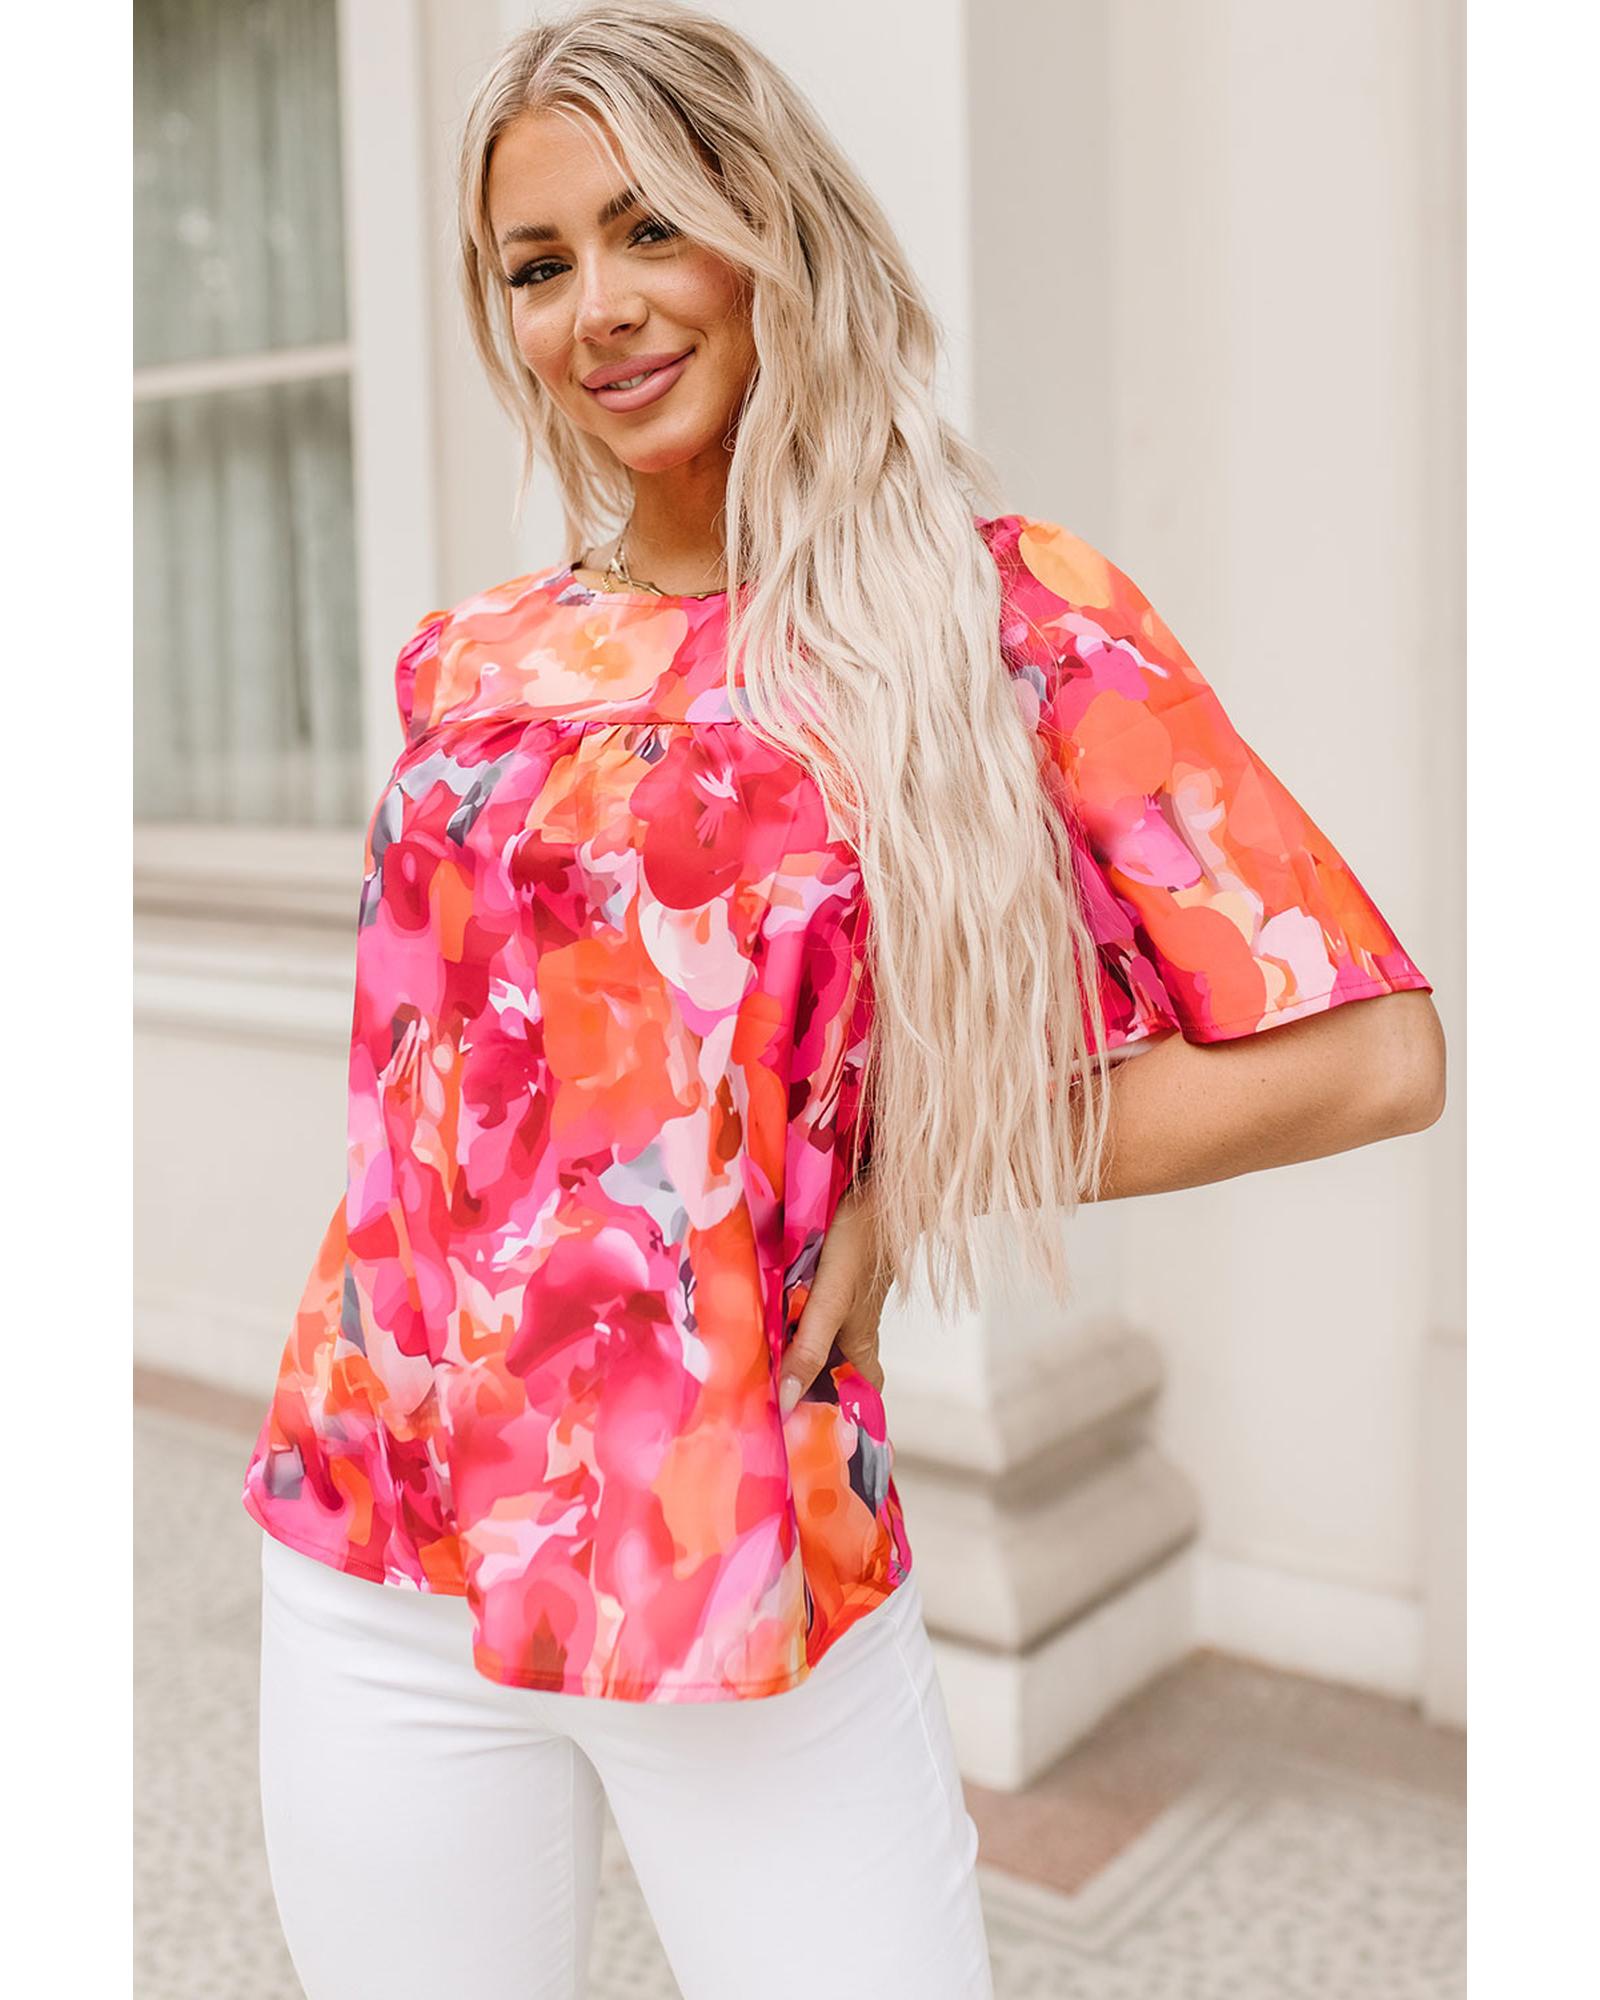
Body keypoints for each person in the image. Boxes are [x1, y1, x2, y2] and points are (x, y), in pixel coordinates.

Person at [239, 3, 1446, 1995]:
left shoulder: (992, 612)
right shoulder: (469, 659)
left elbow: (1369, 1053)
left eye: (650, 226)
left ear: (770, 228)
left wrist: (909, 1173)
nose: (598, 308)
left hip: (739, 1545)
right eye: (536, 265)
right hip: (381, 1521)